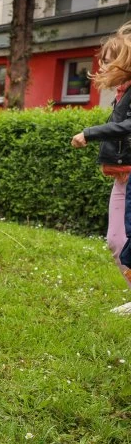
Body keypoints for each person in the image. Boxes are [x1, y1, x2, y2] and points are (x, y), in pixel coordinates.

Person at [71, 30, 131, 312]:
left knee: (125, 241)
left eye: (109, 61)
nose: (103, 67)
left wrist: (90, 133)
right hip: (122, 175)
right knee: (115, 240)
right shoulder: (122, 93)